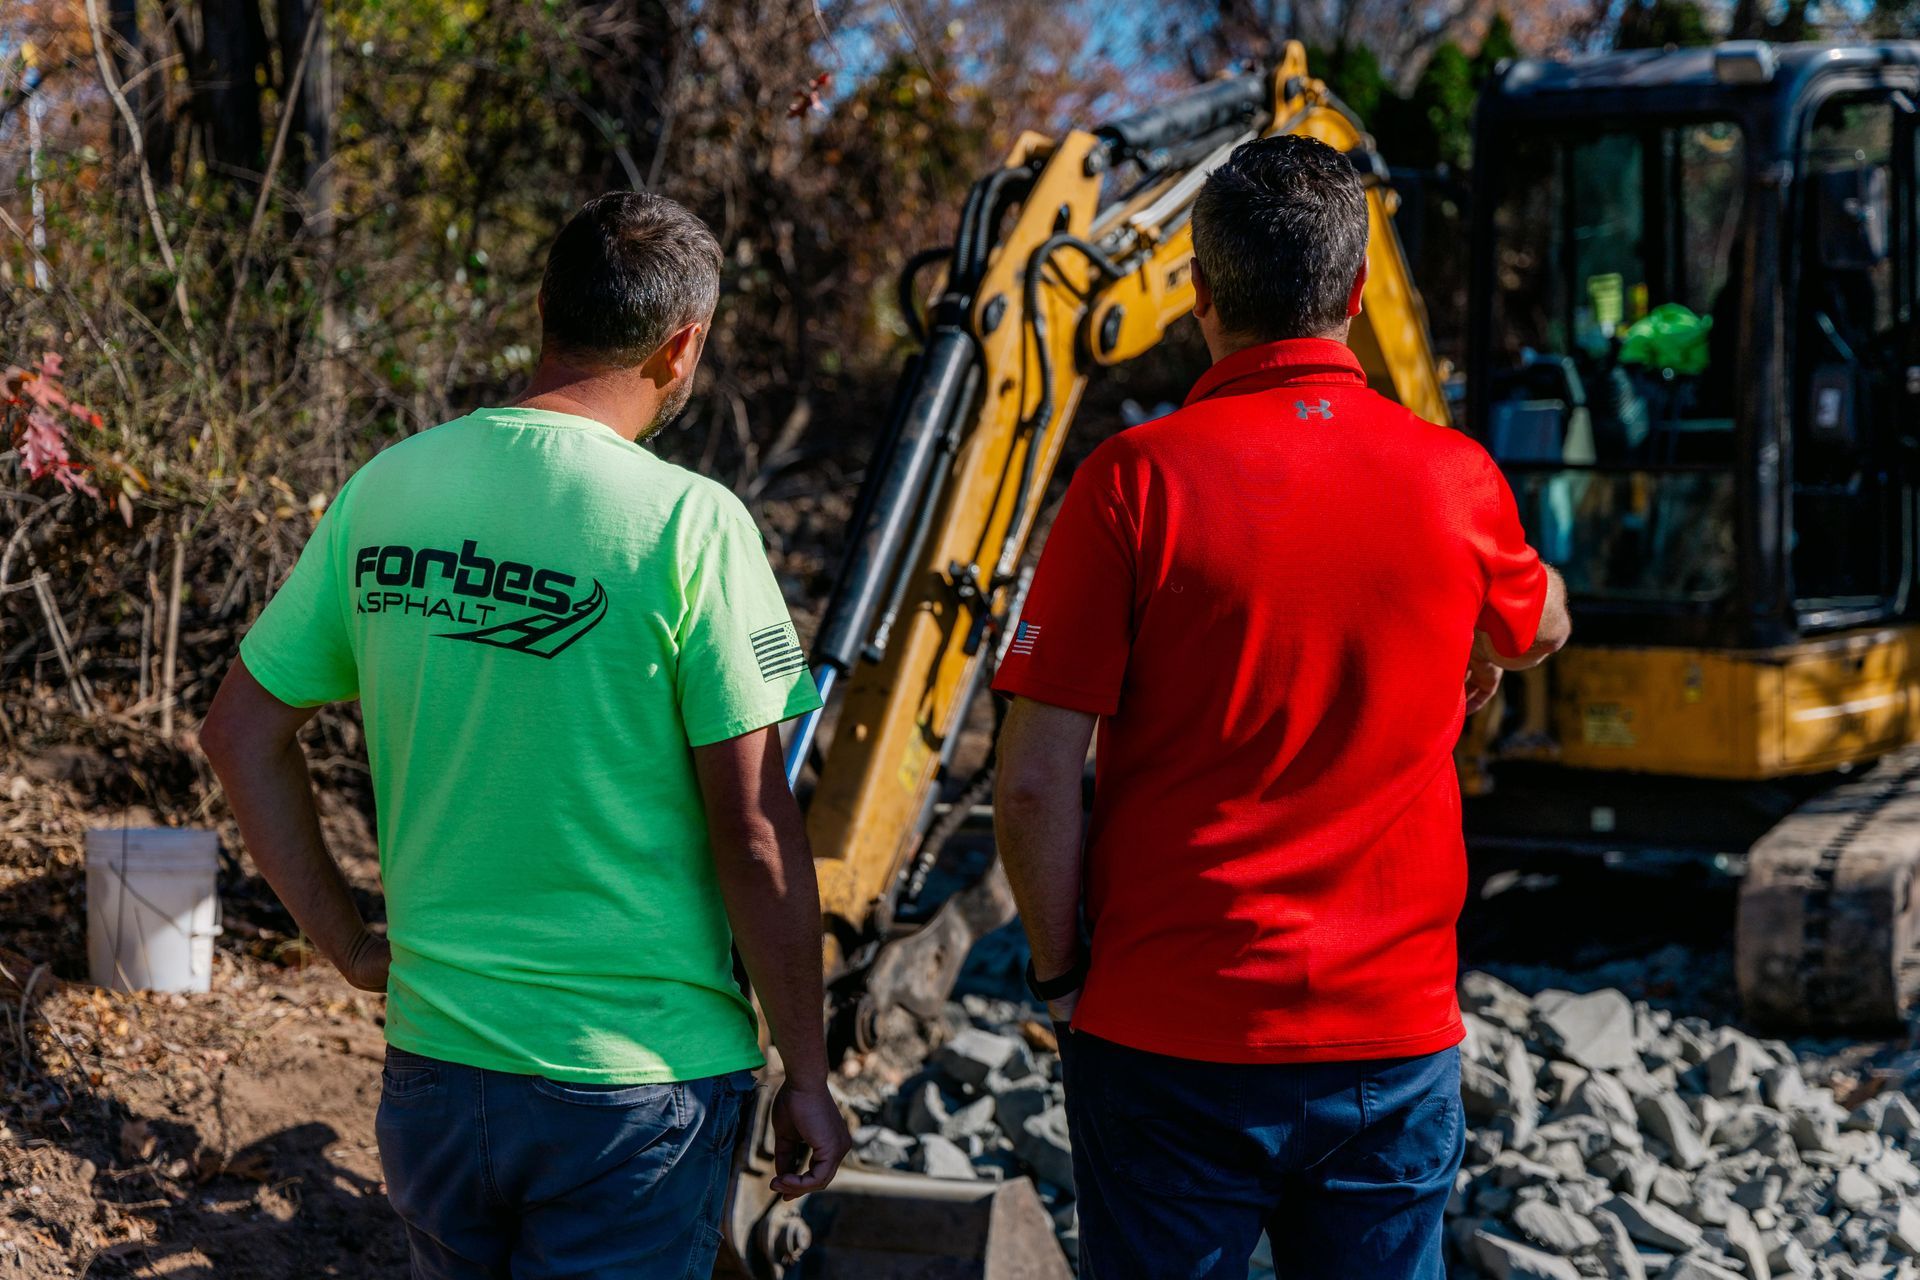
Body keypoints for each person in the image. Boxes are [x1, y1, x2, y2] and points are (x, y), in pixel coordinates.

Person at [201, 192, 850, 1280]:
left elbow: (239, 732)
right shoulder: (694, 524)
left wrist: (350, 942)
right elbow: (755, 828)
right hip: (636, 1087)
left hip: (437, 1072)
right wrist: (809, 1070)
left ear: (541, 307)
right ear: (682, 345)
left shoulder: (389, 490)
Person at [991, 135, 1571, 1280]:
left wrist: (1060, 975)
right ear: (1357, 294)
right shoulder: (1455, 478)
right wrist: (1486, 615)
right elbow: (1539, 621)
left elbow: (1032, 776)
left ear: (1197, 295)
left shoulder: (1131, 480)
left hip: (1165, 1033)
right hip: (1391, 1045)